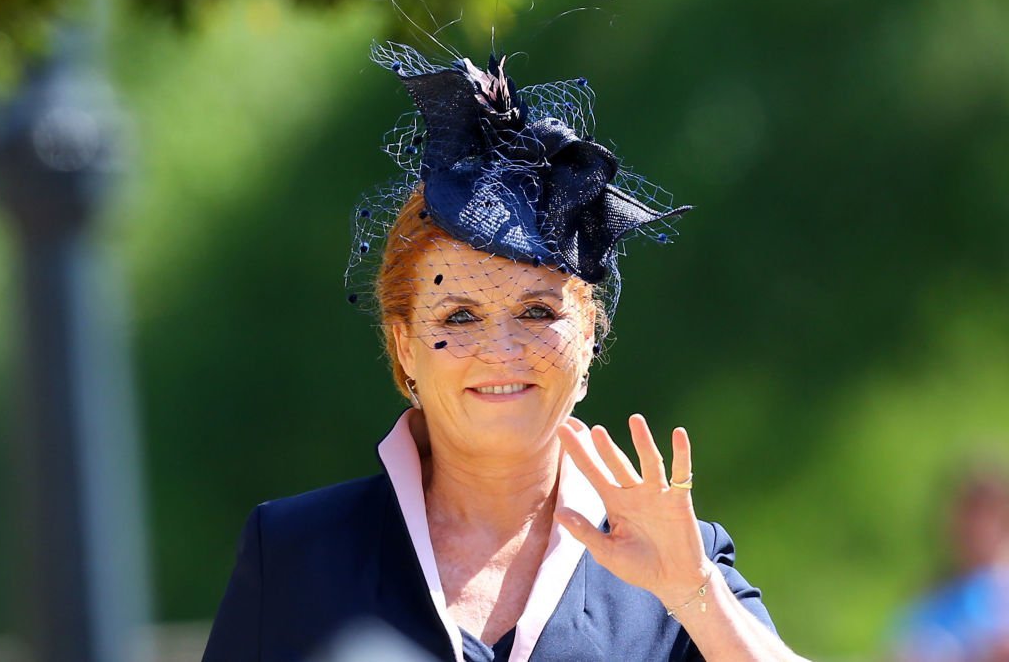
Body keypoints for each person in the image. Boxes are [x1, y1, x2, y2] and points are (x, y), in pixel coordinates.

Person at [202, 41, 807, 662]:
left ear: (590, 338)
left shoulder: (679, 556)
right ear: (404, 348)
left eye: (538, 312)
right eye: (459, 316)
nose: (501, 350)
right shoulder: (295, 552)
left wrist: (691, 591)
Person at [892, 468, 1009, 662]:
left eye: (986, 516)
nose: (975, 529)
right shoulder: (931, 594)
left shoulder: (1001, 591)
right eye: (968, 516)